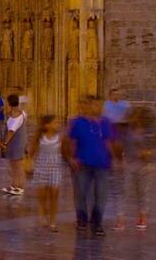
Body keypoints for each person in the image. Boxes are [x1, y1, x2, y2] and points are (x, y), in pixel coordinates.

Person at [63, 95, 119, 236]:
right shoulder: (76, 122)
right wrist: (70, 158)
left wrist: (116, 158)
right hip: (82, 164)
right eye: (95, 105)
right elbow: (69, 141)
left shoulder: (106, 122)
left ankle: (97, 222)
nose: (99, 108)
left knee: (101, 195)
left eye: (100, 105)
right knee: (81, 193)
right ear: (88, 106)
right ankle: (81, 219)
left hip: (102, 164)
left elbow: (110, 142)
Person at [115, 107, 156, 230]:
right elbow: (119, 146)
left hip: (144, 166)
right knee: (124, 192)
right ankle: (120, 219)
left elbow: (153, 148)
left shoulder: (146, 132)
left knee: (142, 193)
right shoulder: (125, 132)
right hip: (129, 165)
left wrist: (149, 158)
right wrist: (120, 160)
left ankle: (142, 217)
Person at [26, 114, 65, 232]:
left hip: (55, 168)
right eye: (54, 122)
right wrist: (28, 165)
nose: (57, 124)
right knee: (42, 196)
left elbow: (65, 151)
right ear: (46, 125)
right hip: (41, 168)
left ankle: (52, 221)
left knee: (54, 195)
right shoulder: (39, 137)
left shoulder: (60, 137)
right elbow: (31, 153)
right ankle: (42, 214)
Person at [1, 96, 29, 196]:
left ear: (9, 103)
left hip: (16, 144)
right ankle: (14, 185)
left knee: (18, 166)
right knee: (14, 166)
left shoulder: (16, 116)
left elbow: (11, 131)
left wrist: (4, 143)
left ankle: (20, 187)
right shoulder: (21, 113)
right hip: (17, 143)